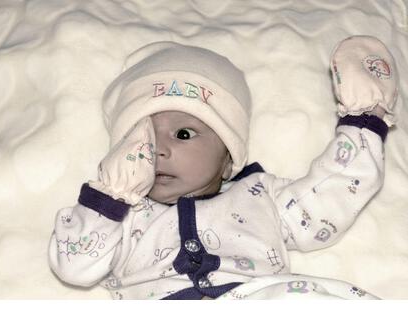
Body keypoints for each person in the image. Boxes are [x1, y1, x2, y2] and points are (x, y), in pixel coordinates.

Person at [48, 36, 398, 299]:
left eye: (183, 134)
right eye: (143, 141)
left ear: (228, 154)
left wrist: (363, 122)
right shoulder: (119, 217)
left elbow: (331, 193)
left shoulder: (261, 195)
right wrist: (113, 193)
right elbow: (75, 267)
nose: (159, 152)